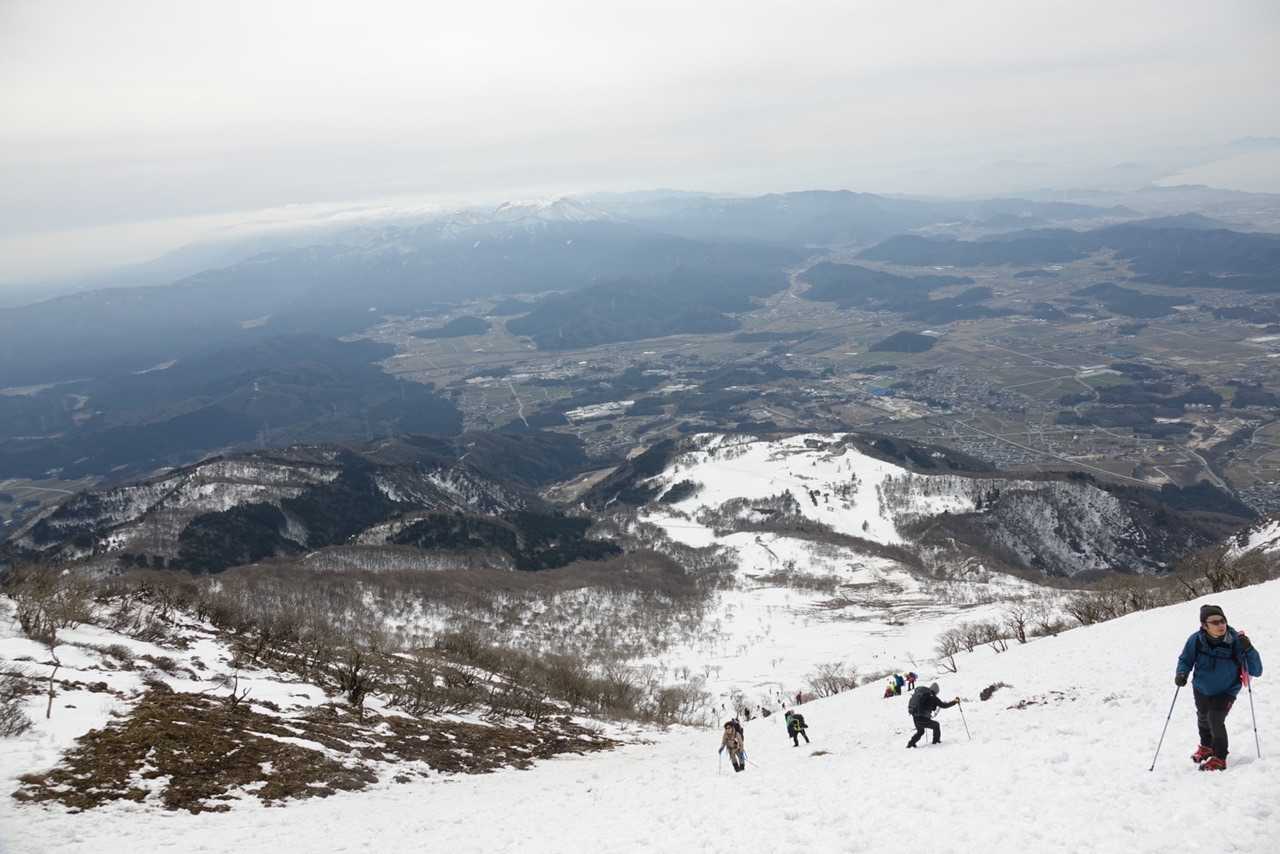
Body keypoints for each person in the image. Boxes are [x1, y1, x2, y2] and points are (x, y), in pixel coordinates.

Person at [1175, 604, 1263, 771]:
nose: (1221, 625)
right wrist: (1182, 673)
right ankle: (1206, 746)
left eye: (1222, 621)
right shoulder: (1196, 640)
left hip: (1227, 689)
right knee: (1202, 717)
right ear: (1204, 625)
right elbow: (1185, 660)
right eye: (1215, 622)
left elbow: (1257, 671)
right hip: (1201, 687)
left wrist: (1249, 649)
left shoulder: (1236, 641)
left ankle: (1220, 757)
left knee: (1215, 719)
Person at [906, 682, 959, 748]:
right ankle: (936, 742)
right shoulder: (933, 697)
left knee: (920, 731)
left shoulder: (923, 694)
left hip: (915, 716)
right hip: (922, 718)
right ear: (936, 691)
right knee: (936, 725)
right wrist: (955, 702)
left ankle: (910, 744)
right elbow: (944, 705)